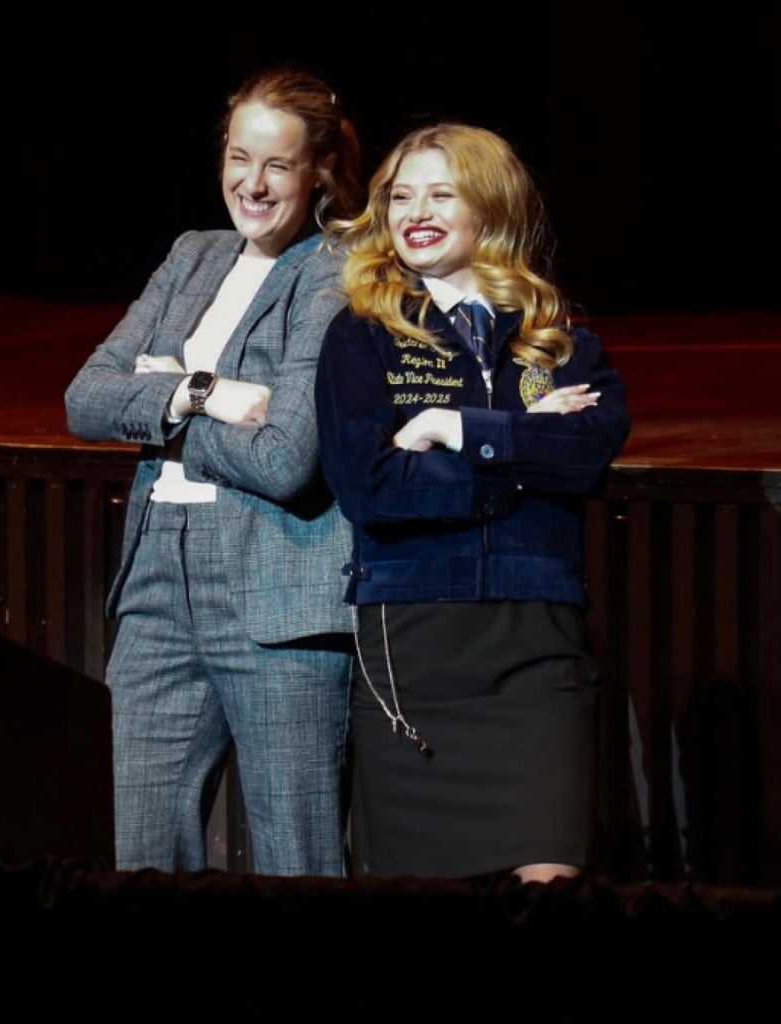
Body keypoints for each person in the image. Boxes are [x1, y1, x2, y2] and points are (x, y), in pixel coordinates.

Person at [65, 66, 363, 876]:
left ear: (318, 172)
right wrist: (206, 392)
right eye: (239, 158)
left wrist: (160, 399)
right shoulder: (192, 255)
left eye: (276, 165)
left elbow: (287, 457)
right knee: (135, 856)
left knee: (295, 864)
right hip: (157, 585)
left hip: (276, 591)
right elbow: (85, 399)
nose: (252, 184)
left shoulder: (337, 270)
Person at [314, 123, 630, 882]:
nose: (414, 212)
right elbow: (372, 488)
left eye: (440, 194)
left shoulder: (559, 345)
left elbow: (587, 455)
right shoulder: (362, 337)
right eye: (399, 195)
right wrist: (523, 447)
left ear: (489, 208)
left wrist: (456, 428)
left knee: (549, 885)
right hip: (413, 644)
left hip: (535, 642)